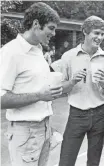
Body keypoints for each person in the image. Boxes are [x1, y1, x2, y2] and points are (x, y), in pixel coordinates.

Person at [0, 2, 62, 166]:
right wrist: (40, 96)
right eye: (51, 28)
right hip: (25, 131)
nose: (54, 33)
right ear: (36, 24)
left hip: (44, 128)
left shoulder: (38, 51)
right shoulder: (11, 52)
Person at [58, 15, 104, 166]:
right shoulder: (69, 57)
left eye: (102, 34)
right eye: (96, 33)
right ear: (85, 31)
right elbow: (59, 88)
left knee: (94, 162)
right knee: (66, 160)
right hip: (77, 114)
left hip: (99, 114)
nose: (100, 37)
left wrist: (103, 84)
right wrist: (72, 81)